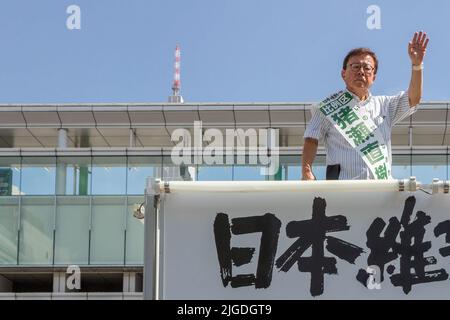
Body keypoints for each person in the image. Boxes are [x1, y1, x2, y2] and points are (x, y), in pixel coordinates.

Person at [302, 31, 429, 180]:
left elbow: (413, 99)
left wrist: (417, 65)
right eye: (355, 67)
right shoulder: (328, 108)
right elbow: (311, 138)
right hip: (342, 192)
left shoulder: (385, 105)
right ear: (343, 73)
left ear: (373, 77)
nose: (361, 72)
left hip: (380, 191)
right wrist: (306, 171)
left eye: (367, 68)